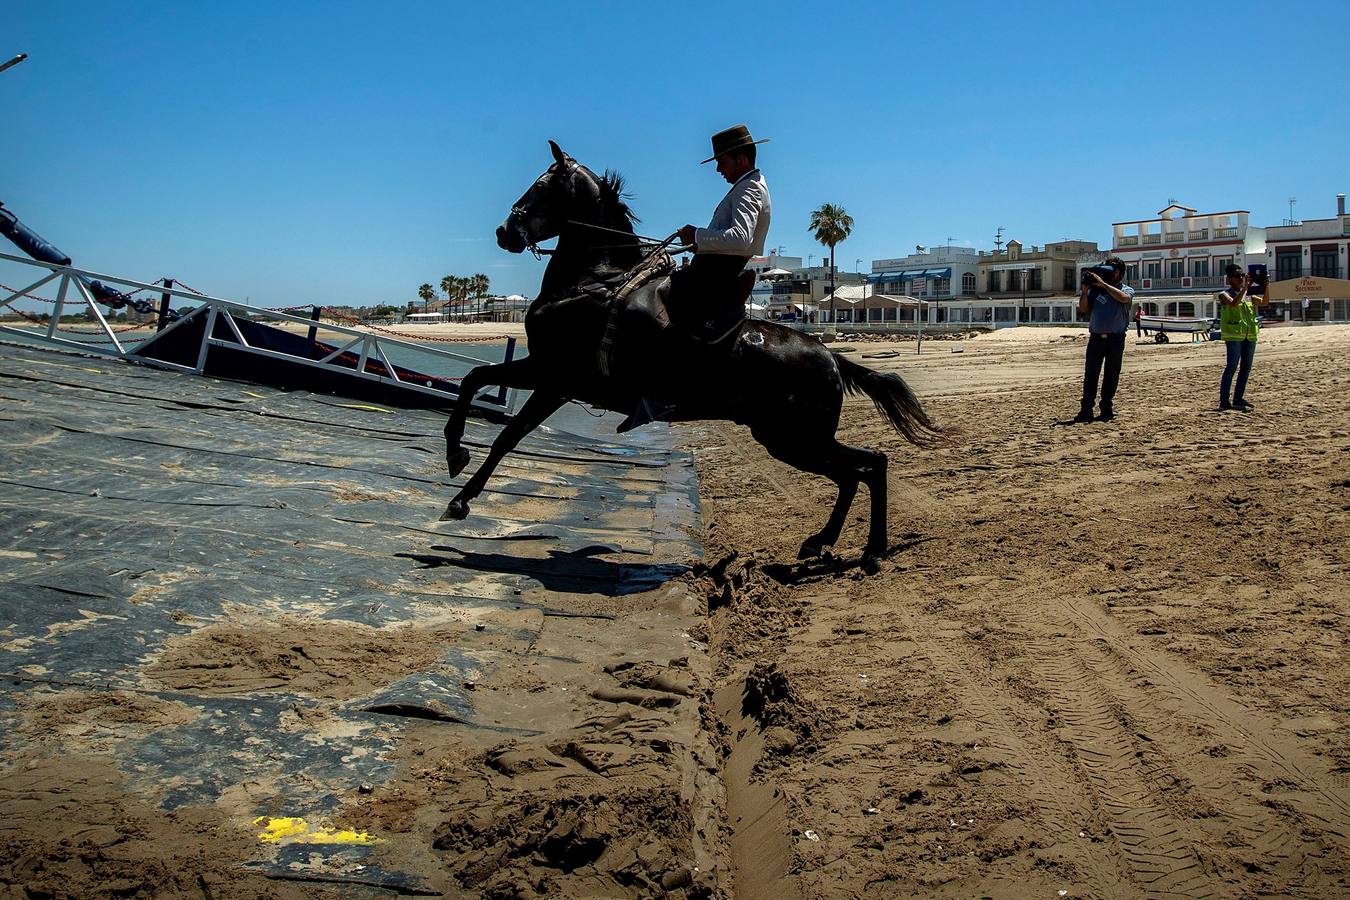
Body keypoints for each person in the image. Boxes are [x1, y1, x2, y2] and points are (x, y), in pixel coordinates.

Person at [671, 124, 772, 338]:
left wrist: (697, 235)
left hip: (714, 275)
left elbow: (740, 238)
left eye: (722, 162)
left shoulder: (748, 188)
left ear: (741, 160)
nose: (718, 169)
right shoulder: (751, 185)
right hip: (716, 270)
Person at [1074, 257, 1135, 423]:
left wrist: (1103, 285)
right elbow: (1084, 308)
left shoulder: (1126, 289)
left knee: (1111, 374)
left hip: (1116, 339)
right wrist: (1085, 291)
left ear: (1119, 273)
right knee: (1091, 375)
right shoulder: (1095, 291)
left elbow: (1123, 298)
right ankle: (1086, 409)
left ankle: (1106, 406)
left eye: (1113, 269)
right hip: (1095, 339)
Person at [1216, 263, 1259, 411]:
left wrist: (1267, 287)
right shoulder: (1224, 294)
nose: (1241, 278)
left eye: (1242, 275)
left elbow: (1265, 302)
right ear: (1229, 279)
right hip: (1233, 336)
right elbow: (1233, 304)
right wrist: (1245, 288)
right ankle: (1224, 400)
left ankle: (1238, 398)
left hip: (1248, 335)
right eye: (1237, 276)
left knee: (1246, 368)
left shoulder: (1247, 295)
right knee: (1231, 367)